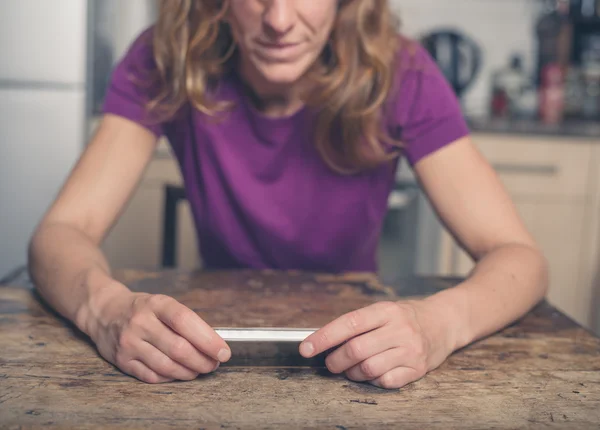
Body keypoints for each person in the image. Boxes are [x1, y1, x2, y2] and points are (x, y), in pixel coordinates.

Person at [27, 0, 548, 389]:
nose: (278, 20)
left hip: (356, 361)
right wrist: (105, 309)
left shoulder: (403, 71)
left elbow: (519, 257)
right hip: (212, 356)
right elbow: (61, 233)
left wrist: (440, 323)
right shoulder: (164, 57)